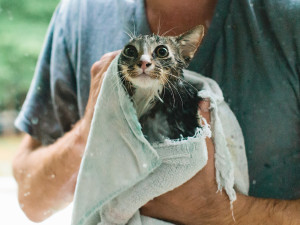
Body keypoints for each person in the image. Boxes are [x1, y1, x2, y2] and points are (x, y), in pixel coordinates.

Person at [12, 0, 300, 224]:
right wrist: (90, 131)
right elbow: (32, 199)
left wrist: (220, 214)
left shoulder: (290, 18)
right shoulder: (80, 14)